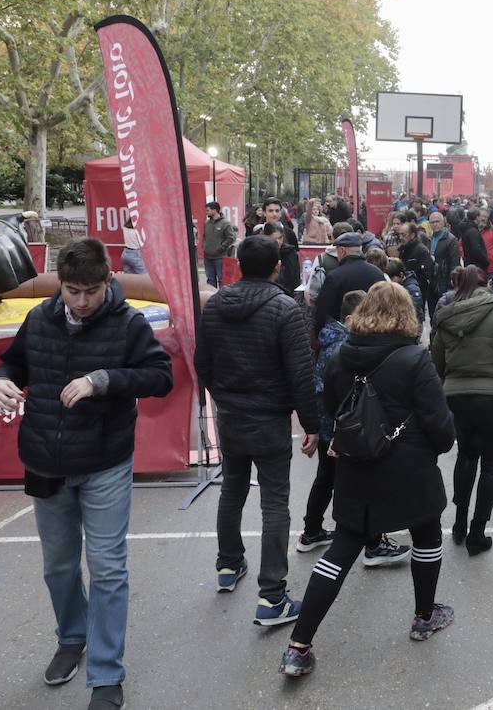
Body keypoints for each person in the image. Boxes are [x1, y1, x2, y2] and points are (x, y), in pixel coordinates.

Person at [0, 239, 173, 710]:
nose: (82, 301)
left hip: (105, 462)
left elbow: (161, 376)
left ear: (108, 281)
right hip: (45, 460)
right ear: (60, 285)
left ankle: (106, 675)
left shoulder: (127, 323)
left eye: (91, 291)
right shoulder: (39, 319)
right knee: (59, 566)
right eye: (73, 291)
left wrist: (103, 380)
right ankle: (72, 637)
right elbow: (13, 361)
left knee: (108, 569)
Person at [280, 282, 457, 678]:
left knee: (341, 550)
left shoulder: (340, 357)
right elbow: (441, 428)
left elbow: (331, 407)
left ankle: (298, 646)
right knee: (427, 534)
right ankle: (423, 616)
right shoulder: (415, 359)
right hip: (410, 465)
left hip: (357, 464)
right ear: (405, 315)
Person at [194, 236, 316, 626]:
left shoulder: (215, 306)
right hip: (268, 417)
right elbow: (301, 373)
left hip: (232, 414)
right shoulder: (284, 308)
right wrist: (312, 423)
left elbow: (203, 363)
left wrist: (223, 396)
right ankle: (272, 595)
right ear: (278, 266)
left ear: (237, 265)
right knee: (275, 502)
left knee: (232, 488)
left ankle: (228, 565)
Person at [297, 289, 411, 567]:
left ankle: (311, 531)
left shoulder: (333, 341)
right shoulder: (342, 347)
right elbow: (329, 390)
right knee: (360, 484)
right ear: (350, 318)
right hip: (345, 429)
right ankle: (372, 544)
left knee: (327, 479)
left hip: (334, 427)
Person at [430, 265, 493, 553]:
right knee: (492, 465)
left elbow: (436, 359)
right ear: (487, 285)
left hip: (456, 396)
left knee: (466, 456)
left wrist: (447, 383)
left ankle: (459, 525)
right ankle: (477, 531)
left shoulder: (447, 315)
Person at [313, 232, 386, 335]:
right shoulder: (377, 273)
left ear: (342, 251)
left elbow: (323, 310)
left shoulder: (335, 276)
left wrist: (317, 334)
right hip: (375, 332)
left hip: (344, 335)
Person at [426, 212, 460, 321]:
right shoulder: (429, 239)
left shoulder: (451, 239)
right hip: (431, 281)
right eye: (432, 222)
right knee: (432, 313)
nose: (435, 224)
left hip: (444, 281)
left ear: (443, 223)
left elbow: (455, 263)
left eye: (437, 221)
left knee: (443, 314)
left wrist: (453, 283)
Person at [203, 201, 237, 288]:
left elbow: (231, 237)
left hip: (220, 257)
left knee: (222, 279)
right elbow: (204, 236)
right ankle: (211, 299)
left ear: (214, 210)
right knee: (210, 280)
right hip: (208, 257)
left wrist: (221, 247)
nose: (206, 212)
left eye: (208, 210)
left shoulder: (225, 223)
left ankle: (221, 299)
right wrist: (204, 247)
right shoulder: (207, 223)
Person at [386, 257, 425, 329]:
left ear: (401, 275)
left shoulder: (412, 289)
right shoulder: (399, 285)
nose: (390, 281)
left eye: (392, 278)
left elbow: (416, 308)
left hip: (412, 325)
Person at [458, 209, 490, 275]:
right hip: (477, 267)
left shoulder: (467, 229)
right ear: (477, 217)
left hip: (470, 266)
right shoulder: (473, 231)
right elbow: (476, 250)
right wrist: (486, 261)